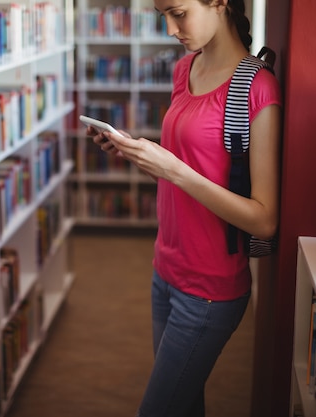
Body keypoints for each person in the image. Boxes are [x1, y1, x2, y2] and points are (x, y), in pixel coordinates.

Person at [85, 0, 282, 416]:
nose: (171, 29)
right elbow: (184, 178)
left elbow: (264, 220)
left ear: (220, 3)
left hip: (209, 290)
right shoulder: (183, 70)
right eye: (162, 16)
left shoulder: (257, 87)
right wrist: (137, 155)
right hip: (166, 271)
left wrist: (173, 169)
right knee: (185, 405)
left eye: (178, 12)